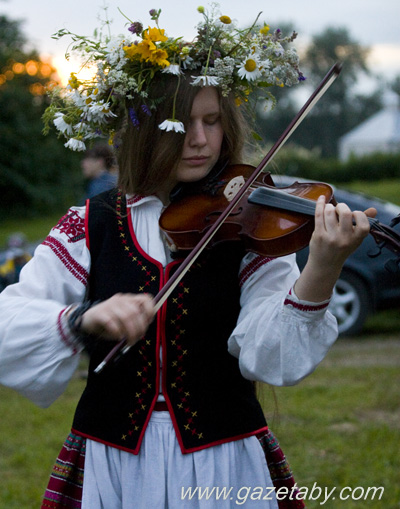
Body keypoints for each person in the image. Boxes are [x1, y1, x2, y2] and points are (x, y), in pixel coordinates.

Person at [0, 7, 376, 509]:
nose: (200, 140)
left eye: (212, 121)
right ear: (144, 130)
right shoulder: (91, 224)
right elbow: (8, 325)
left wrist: (323, 268)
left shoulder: (250, 224)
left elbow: (273, 357)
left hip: (222, 464)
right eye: (181, 124)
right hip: (116, 463)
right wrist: (81, 319)